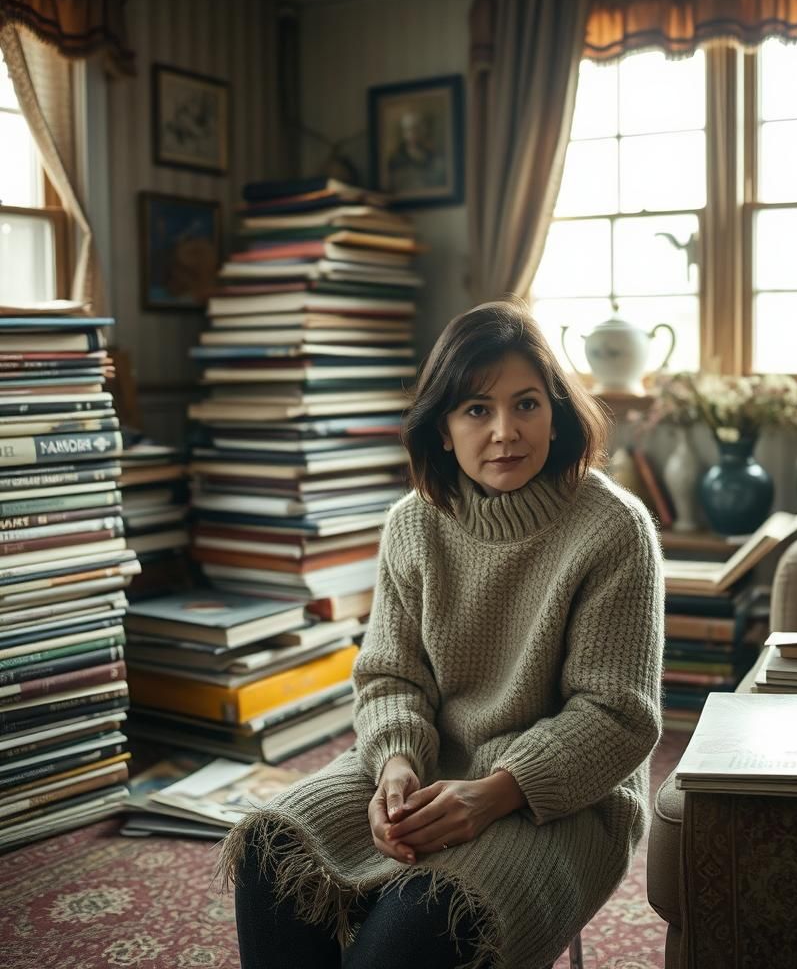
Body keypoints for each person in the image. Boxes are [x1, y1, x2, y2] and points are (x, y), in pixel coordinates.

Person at [221, 299, 665, 969]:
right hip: (430, 758)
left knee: (414, 929)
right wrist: (395, 764)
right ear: (444, 427)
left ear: (558, 411)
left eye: (527, 404)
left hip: (564, 794)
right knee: (268, 852)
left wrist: (495, 793)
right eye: (477, 409)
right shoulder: (413, 523)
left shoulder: (614, 528)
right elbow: (390, 676)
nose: (505, 432)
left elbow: (617, 717)